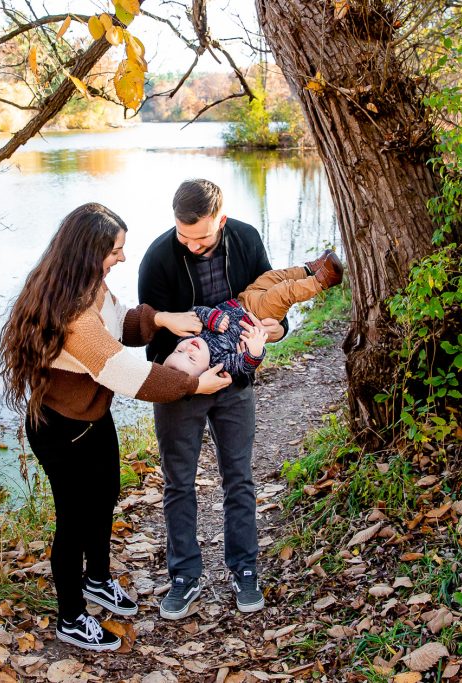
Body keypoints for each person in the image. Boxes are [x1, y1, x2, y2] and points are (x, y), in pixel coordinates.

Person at [0, 203, 232, 651]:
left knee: (104, 499)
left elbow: (121, 325)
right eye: (116, 250)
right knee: (74, 521)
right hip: (62, 429)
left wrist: (160, 318)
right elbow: (127, 374)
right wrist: (191, 384)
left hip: (92, 418)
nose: (122, 258)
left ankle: (98, 579)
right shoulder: (72, 315)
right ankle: (70, 617)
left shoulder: (88, 284)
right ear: (90, 250)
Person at [139, 179, 310, 619]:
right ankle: (184, 577)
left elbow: (270, 302)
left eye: (202, 237)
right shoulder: (158, 259)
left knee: (239, 476)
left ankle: (245, 569)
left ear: (222, 220)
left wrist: (277, 331)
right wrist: (191, 381)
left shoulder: (247, 239)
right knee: (179, 483)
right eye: (183, 236)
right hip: (182, 388)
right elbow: (152, 341)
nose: (192, 245)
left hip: (235, 381)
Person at [164, 250, 345, 378]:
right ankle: (321, 281)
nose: (188, 349)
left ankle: (309, 269)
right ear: (205, 371)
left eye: (179, 350)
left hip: (244, 299)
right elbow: (245, 364)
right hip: (258, 316)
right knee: (283, 292)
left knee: (272, 278)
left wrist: (210, 316)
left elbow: (194, 311)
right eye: (191, 357)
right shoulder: (219, 362)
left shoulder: (189, 334)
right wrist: (255, 348)